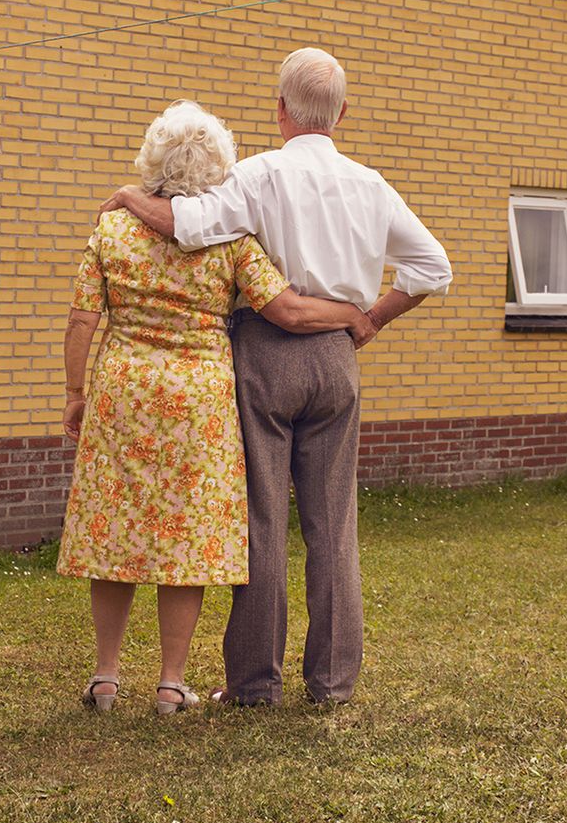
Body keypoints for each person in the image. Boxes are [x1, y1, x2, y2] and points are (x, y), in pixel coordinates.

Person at [104, 48, 452, 705]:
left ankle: (255, 684)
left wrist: (127, 196)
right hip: (335, 358)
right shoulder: (371, 185)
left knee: (260, 521)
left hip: (265, 352)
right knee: (332, 523)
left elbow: (185, 227)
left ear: (280, 110)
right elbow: (432, 268)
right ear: (342, 113)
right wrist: (370, 318)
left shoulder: (258, 175)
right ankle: (330, 683)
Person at [60, 100, 365, 716]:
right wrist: (355, 315)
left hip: (125, 391)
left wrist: (75, 392)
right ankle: (172, 683)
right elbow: (288, 310)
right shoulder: (231, 239)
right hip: (200, 403)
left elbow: (81, 318)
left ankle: (105, 677)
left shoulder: (111, 229)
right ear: (219, 169)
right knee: (187, 538)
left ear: (152, 158)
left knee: (113, 531)